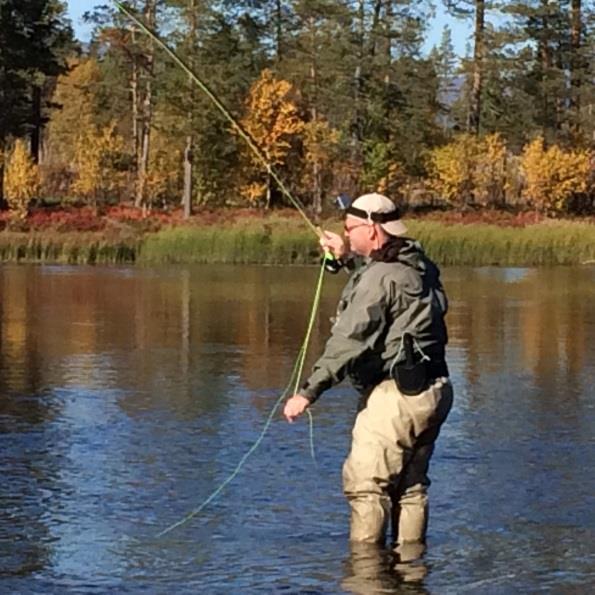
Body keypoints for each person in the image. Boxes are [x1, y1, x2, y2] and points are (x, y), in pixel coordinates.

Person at [283, 193, 453, 559]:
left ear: (373, 230)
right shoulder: (419, 264)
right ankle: (410, 572)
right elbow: (387, 286)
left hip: (395, 400)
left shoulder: (380, 277)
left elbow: (349, 341)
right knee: (410, 488)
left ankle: (366, 573)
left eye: (350, 229)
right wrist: (344, 259)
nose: (346, 234)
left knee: (366, 487)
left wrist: (308, 392)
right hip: (434, 391)